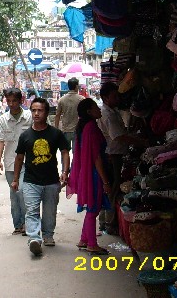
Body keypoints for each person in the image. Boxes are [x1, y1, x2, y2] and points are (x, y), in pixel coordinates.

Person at [12, 97, 70, 256]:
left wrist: (65, 172)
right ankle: (34, 239)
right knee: (31, 211)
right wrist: (16, 179)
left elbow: (65, 152)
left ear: (46, 113)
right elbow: (19, 158)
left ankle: (48, 235)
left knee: (50, 211)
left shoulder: (56, 134)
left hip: (52, 181)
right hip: (31, 181)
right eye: (33, 110)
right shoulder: (25, 136)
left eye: (40, 110)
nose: (36, 113)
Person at [99, 82, 148, 233]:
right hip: (113, 154)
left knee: (110, 187)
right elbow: (119, 136)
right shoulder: (108, 114)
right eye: (114, 96)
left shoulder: (111, 111)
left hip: (114, 152)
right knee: (113, 188)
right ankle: (109, 223)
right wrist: (141, 142)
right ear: (106, 98)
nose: (117, 99)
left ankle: (105, 221)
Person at [66, 98, 111, 255]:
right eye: (96, 107)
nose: (99, 109)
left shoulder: (84, 127)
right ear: (89, 111)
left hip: (87, 172)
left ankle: (84, 239)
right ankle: (92, 244)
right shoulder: (91, 128)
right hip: (94, 174)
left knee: (92, 208)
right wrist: (105, 181)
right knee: (93, 208)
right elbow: (96, 157)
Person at [0, 88, 30, 235]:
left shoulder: (29, 117)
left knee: (22, 191)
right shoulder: (2, 120)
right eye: (8, 101)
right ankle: (18, 224)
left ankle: (28, 223)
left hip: (28, 161)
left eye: (14, 100)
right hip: (10, 162)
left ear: (21, 101)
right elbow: (0, 141)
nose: (11, 104)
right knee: (14, 194)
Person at [54, 77, 84, 150]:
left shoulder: (62, 100)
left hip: (65, 129)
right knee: (76, 152)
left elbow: (57, 115)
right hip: (77, 129)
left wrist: (56, 128)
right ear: (76, 86)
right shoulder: (81, 99)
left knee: (65, 151)